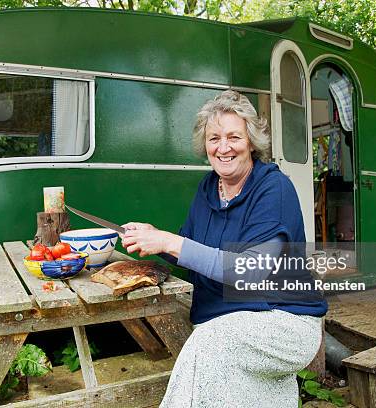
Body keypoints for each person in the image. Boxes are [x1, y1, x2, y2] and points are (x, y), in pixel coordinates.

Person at [121, 90, 328, 408]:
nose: (223, 147)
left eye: (234, 137)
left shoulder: (273, 188)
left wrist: (170, 241)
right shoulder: (207, 188)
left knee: (207, 344)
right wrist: (153, 239)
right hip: (225, 317)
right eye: (214, 138)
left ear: (252, 142)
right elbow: (192, 254)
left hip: (284, 320)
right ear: (205, 145)